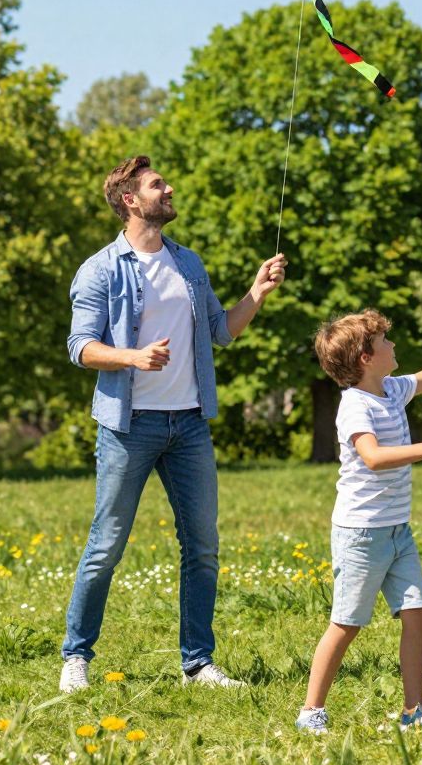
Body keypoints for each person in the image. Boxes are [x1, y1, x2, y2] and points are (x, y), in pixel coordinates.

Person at [60, 156, 286, 692]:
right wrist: (131, 357)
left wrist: (257, 292)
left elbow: (221, 331)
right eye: (157, 185)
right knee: (107, 543)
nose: (169, 189)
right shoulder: (100, 270)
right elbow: (79, 348)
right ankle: (76, 656)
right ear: (130, 201)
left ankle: (197, 663)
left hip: (188, 425)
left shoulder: (189, 264)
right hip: (127, 426)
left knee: (202, 545)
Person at [298, 301, 422, 735]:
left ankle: (415, 710)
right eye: (383, 341)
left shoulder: (391, 389)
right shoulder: (354, 405)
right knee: (347, 623)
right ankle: (311, 710)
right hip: (361, 534)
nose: (392, 344)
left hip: (396, 530)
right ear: (365, 358)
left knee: (417, 611)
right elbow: (372, 457)